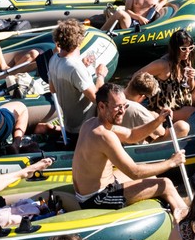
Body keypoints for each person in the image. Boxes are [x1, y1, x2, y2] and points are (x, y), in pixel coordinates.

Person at [71, 83, 188, 214]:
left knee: (152, 176)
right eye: (117, 107)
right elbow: (134, 172)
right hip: (96, 198)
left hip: (96, 188)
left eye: (124, 106)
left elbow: (131, 135)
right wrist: (171, 162)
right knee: (165, 184)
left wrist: (159, 120)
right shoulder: (104, 136)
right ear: (102, 106)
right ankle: (189, 225)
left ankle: (173, 210)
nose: (122, 111)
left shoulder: (91, 124)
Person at [134, 30, 195, 131]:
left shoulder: (185, 59)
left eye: (190, 48)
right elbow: (137, 76)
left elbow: (191, 88)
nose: (187, 51)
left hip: (184, 98)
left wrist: (191, 79)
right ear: (175, 49)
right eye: (183, 49)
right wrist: (141, 95)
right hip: (169, 108)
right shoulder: (162, 64)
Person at [47, 19, 109, 142]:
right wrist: (100, 76)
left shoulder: (54, 59)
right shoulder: (75, 68)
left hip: (69, 125)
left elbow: (52, 89)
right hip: (85, 128)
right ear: (79, 41)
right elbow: (97, 100)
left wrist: (82, 66)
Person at [120, 73, 167, 143]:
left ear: (130, 83)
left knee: (154, 115)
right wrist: (160, 120)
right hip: (132, 147)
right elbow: (161, 132)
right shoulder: (137, 109)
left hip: (114, 140)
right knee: (181, 127)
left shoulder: (114, 95)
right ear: (142, 97)